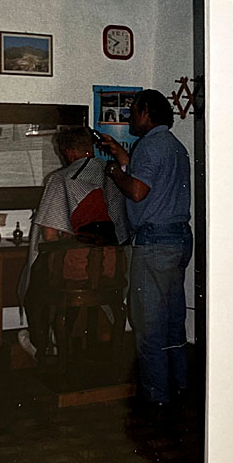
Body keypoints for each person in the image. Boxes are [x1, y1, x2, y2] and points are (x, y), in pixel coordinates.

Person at [101, 90, 192, 409]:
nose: (129, 119)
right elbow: (147, 178)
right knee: (171, 318)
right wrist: (122, 158)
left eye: (133, 113)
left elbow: (137, 191)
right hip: (178, 239)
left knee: (148, 320)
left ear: (146, 113)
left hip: (155, 242)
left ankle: (155, 395)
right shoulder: (173, 146)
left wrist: (113, 172)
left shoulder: (150, 146)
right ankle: (178, 384)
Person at [18, 126, 129, 361]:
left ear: (68, 152)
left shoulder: (61, 179)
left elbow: (49, 235)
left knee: (34, 287)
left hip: (76, 268)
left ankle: (43, 347)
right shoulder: (112, 175)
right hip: (111, 266)